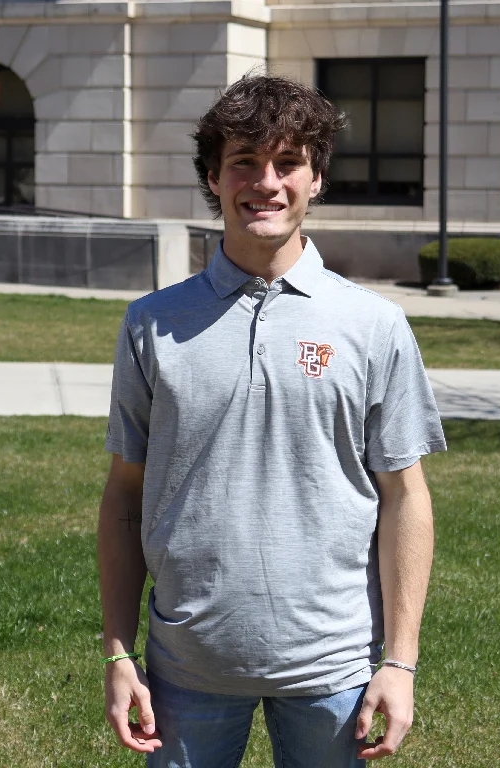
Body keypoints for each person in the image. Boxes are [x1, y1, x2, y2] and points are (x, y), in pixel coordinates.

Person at [98, 73, 446, 767]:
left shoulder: (374, 325)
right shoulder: (152, 323)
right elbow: (124, 496)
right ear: (213, 177)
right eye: (244, 163)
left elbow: (405, 498)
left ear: (316, 178)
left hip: (334, 670)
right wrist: (118, 651)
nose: (267, 182)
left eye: (288, 162)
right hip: (185, 668)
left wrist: (399, 665)